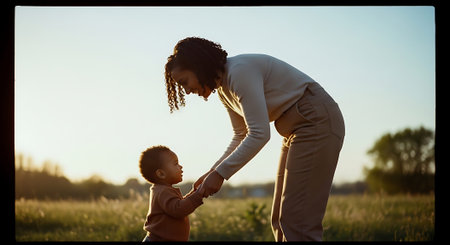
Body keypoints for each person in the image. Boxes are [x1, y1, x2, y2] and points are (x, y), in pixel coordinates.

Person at [164, 37, 345, 241]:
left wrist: (221, 174)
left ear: (198, 67)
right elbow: (240, 135)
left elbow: (259, 134)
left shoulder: (239, 72)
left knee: (297, 221)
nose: (187, 91)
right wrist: (212, 172)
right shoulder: (224, 89)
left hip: (315, 121)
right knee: (279, 220)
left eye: (184, 82)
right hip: (296, 130)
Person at [139, 145, 205, 242]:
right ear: (161, 174)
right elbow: (179, 209)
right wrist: (198, 194)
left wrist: (194, 192)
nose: (180, 166)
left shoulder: (162, 189)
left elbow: (178, 204)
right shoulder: (163, 191)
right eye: (175, 164)